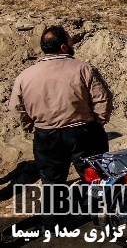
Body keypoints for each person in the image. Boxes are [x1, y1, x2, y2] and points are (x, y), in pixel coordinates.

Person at [9, 26, 112, 187]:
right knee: (95, 179)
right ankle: (93, 203)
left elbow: (16, 106)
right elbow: (102, 98)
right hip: (83, 133)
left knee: (52, 183)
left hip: (46, 136)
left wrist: (31, 126)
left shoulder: (25, 76)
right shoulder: (83, 69)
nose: (72, 44)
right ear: (63, 47)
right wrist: (98, 121)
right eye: (70, 41)